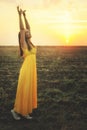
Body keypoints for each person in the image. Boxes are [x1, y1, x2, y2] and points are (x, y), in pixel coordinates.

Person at [11, 6, 37, 120]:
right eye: (26, 32)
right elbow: (22, 29)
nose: (28, 32)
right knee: (24, 90)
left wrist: (26, 16)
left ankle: (25, 111)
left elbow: (28, 27)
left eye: (28, 32)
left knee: (28, 90)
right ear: (23, 35)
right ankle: (16, 110)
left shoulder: (30, 42)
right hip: (26, 71)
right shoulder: (24, 44)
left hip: (32, 71)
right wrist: (20, 15)